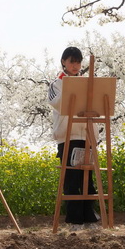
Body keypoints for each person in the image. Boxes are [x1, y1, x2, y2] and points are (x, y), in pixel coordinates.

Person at [47, 45, 101, 231]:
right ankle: (74, 221)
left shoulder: (88, 83)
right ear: (64, 62)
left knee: (88, 178)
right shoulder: (56, 84)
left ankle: (90, 219)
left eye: (78, 62)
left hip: (87, 135)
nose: (75, 66)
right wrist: (72, 89)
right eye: (72, 62)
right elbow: (56, 103)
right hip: (67, 136)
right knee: (71, 179)